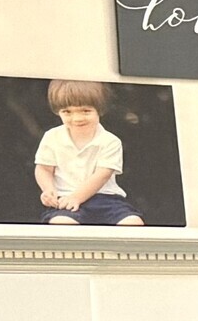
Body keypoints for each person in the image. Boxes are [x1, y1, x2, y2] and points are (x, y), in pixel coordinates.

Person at [35, 81, 143, 226]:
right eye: (67, 112)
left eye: (85, 111)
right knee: (62, 222)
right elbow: (44, 169)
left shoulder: (110, 141)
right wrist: (48, 190)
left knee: (133, 223)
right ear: (57, 111)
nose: (77, 118)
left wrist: (77, 197)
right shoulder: (52, 137)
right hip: (65, 198)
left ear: (100, 110)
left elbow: (102, 174)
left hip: (106, 199)